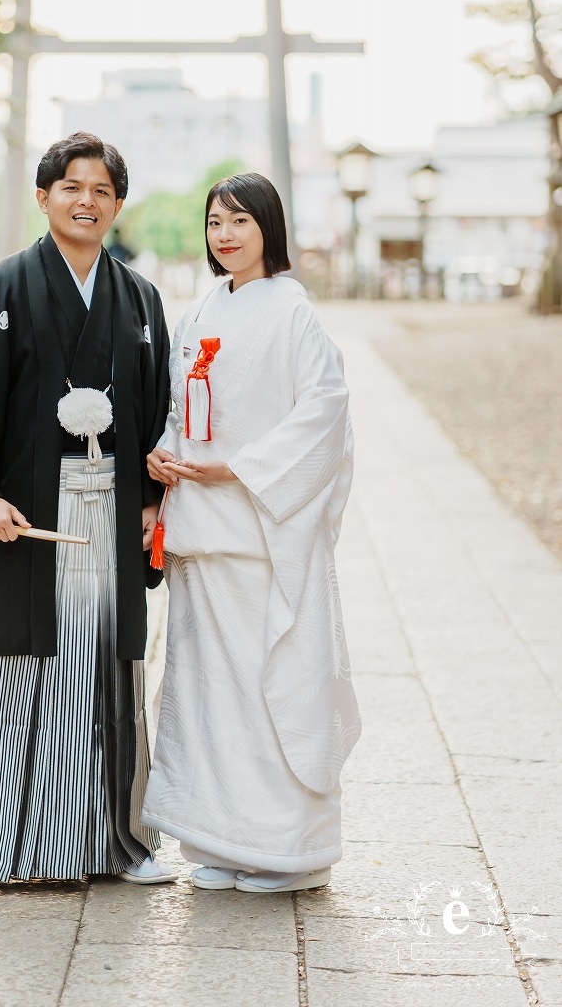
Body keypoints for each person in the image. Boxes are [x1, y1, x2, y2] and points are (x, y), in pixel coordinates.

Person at [0, 131, 175, 900]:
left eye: (100, 190)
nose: (85, 201)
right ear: (42, 197)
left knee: (104, 676)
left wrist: (154, 498)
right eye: (70, 187)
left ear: (117, 204)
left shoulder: (139, 300)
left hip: (110, 510)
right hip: (20, 517)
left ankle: (117, 843)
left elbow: (157, 413)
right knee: (4, 677)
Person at [141, 172, 360, 894]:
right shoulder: (201, 307)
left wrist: (240, 468)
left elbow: (323, 410)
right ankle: (223, 839)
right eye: (213, 222)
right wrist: (164, 452)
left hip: (261, 529)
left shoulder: (294, 314)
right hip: (202, 531)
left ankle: (288, 849)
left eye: (238, 220)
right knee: (208, 689)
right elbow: (178, 404)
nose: (224, 235)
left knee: (271, 681)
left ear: (268, 226)